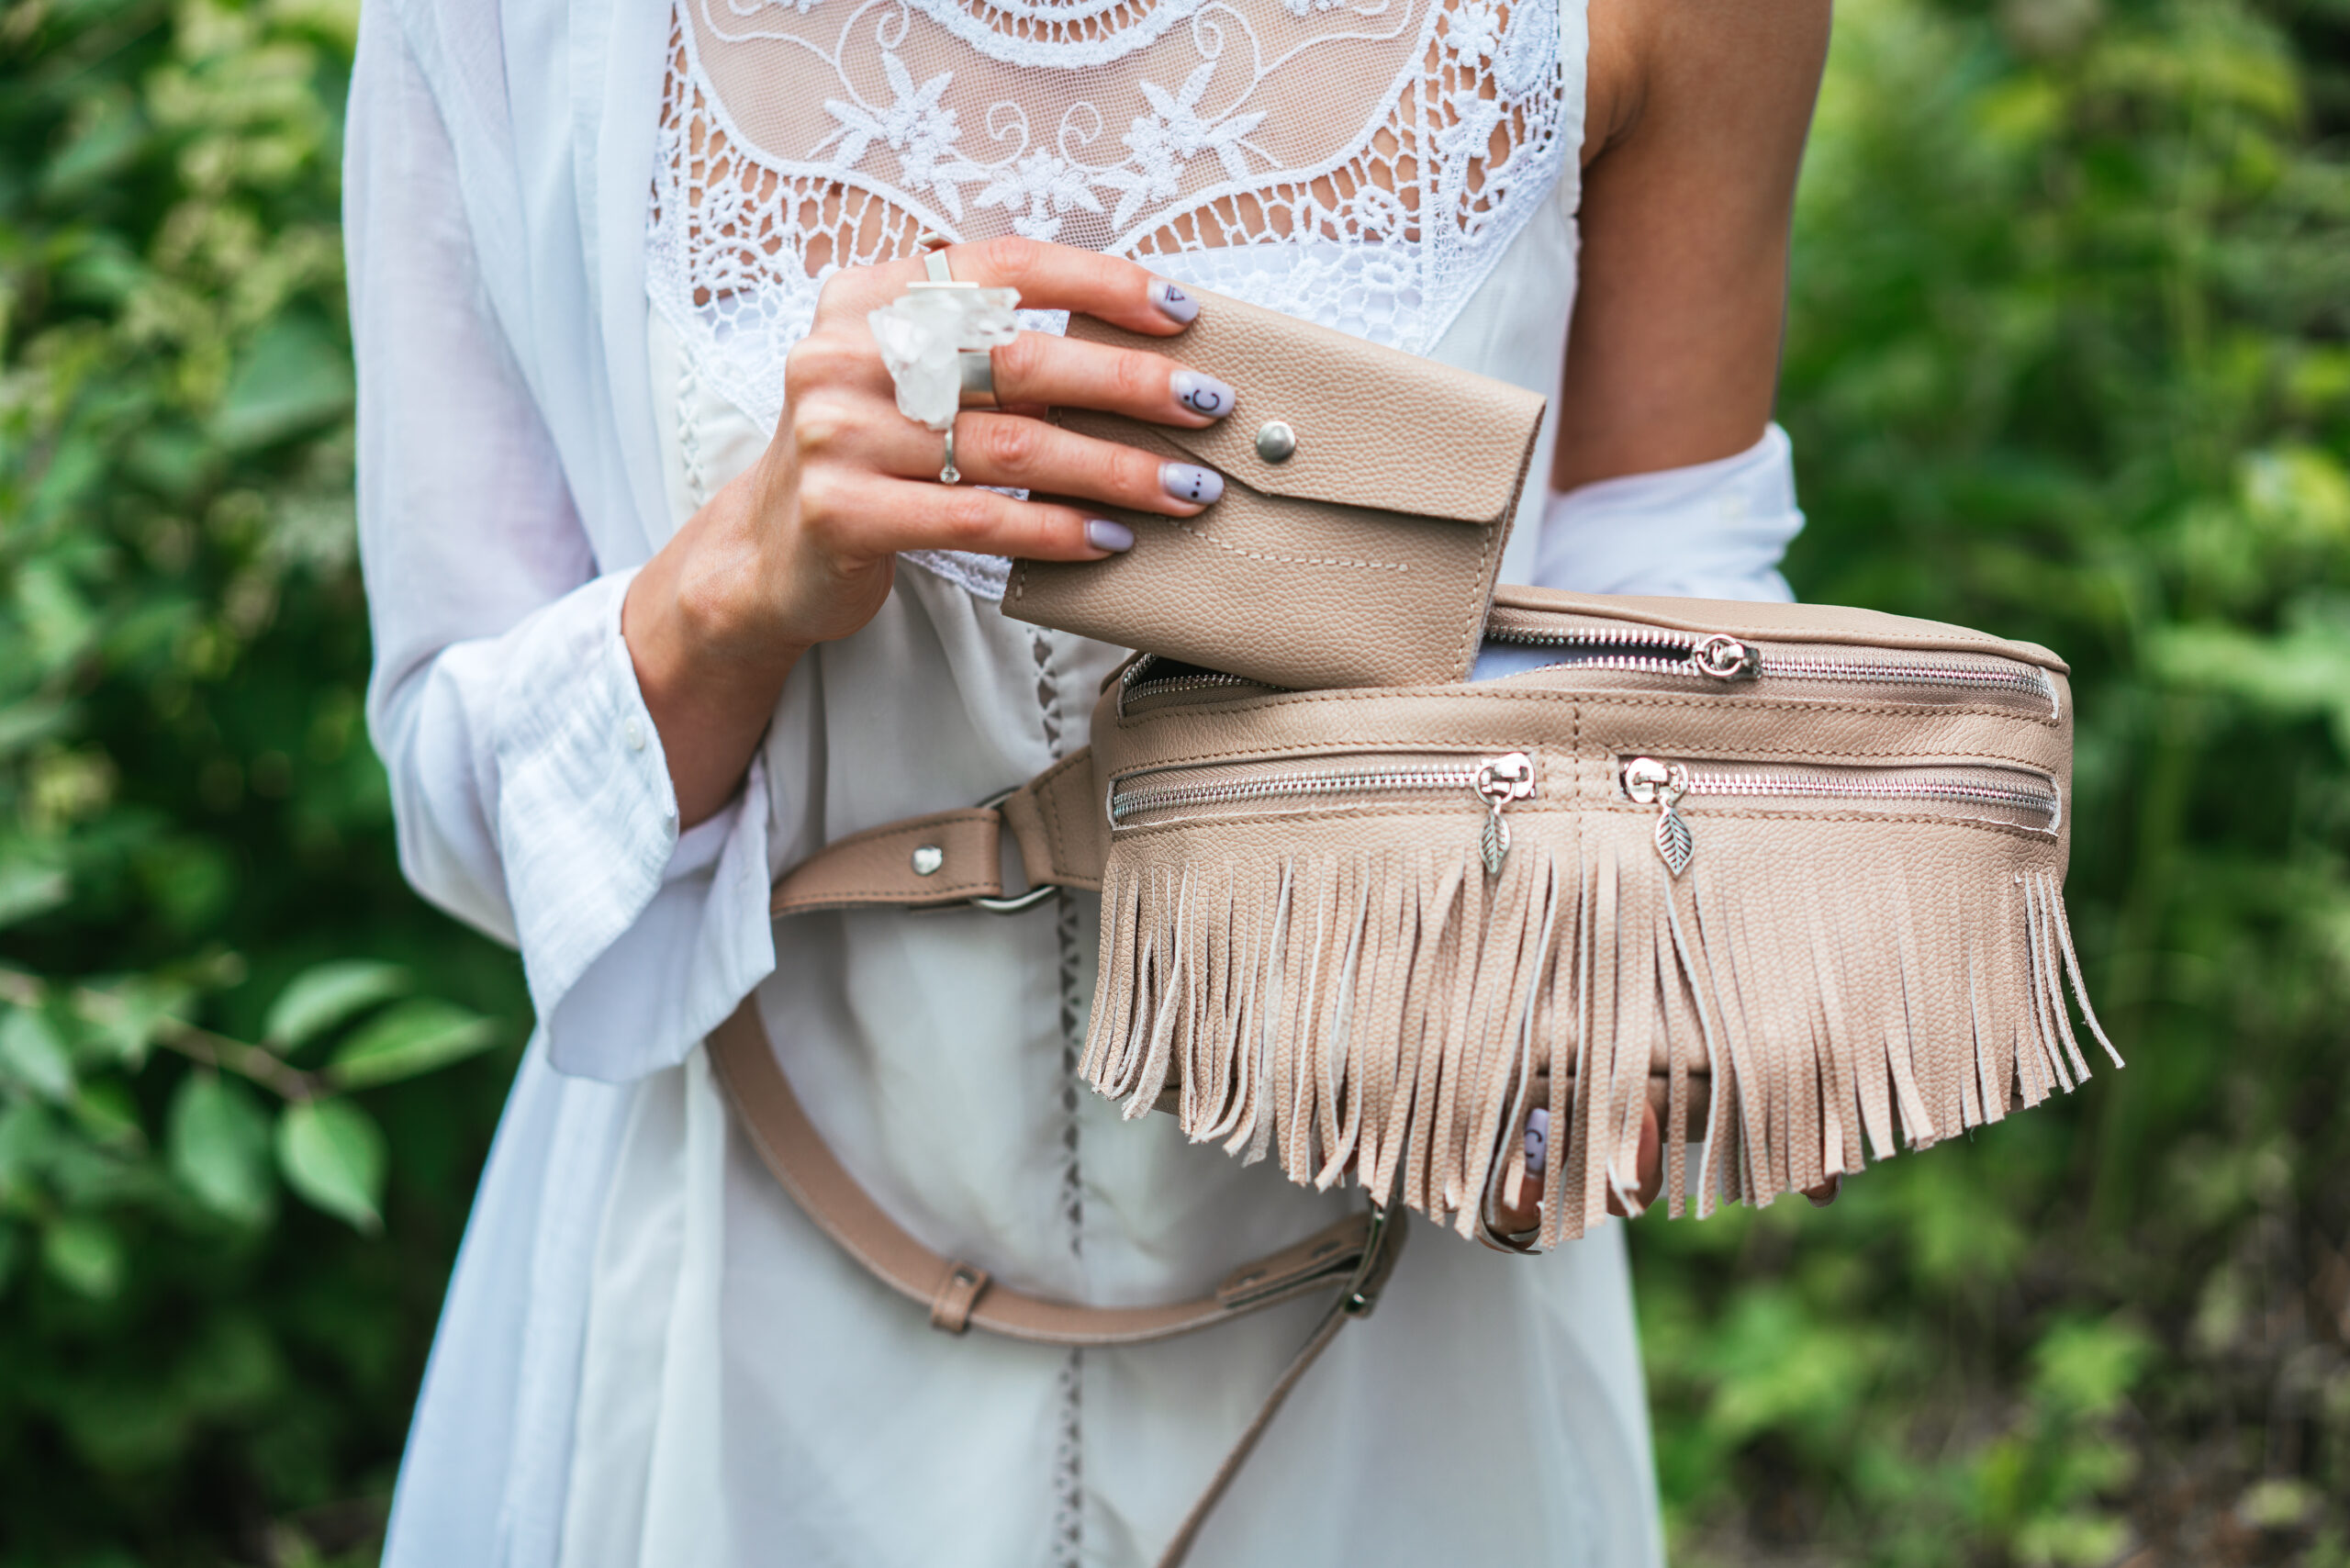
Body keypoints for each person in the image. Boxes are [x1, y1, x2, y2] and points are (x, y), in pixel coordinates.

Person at [349, 0, 1830, 1558]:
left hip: (1403, 1335)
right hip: (725, 1365)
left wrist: (1644, 951)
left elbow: (1676, 593)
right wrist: (728, 589)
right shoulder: (506, 28)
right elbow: (465, 822)